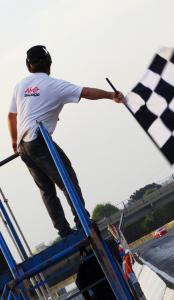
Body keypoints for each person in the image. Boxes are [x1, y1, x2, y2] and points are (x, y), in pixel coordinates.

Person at [7, 45, 124, 238]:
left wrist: (14, 141)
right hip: (39, 140)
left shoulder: (20, 86)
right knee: (67, 179)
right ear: (49, 64)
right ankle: (82, 221)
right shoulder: (53, 85)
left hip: (23, 145)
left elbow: (12, 115)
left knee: (46, 190)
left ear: (28, 66)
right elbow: (85, 92)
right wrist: (111, 95)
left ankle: (64, 231)